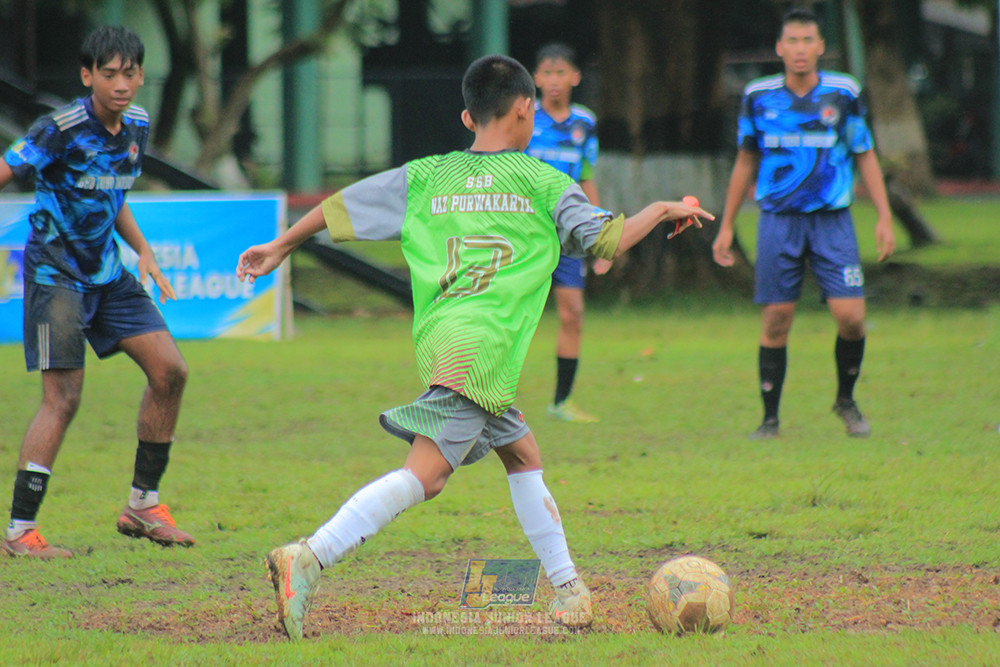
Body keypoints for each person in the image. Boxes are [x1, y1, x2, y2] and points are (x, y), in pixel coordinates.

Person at [236, 54, 710, 641]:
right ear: (527, 108)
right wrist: (664, 208)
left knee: (522, 454)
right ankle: (309, 556)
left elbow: (340, 207)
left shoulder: (426, 176)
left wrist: (281, 244)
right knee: (427, 477)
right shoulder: (543, 183)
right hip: (483, 348)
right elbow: (606, 239)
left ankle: (569, 589)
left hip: (445, 339)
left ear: (467, 116)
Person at [0, 26, 194, 559]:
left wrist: (145, 251)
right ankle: (19, 532)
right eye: (108, 73)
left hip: (108, 275)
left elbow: (114, 194)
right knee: (62, 399)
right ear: (88, 77)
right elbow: (5, 169)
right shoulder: (59, 128)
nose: (121, 83)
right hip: (55, 276)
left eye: (130, 73)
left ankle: (143, 505)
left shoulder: (137, 125)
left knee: (170, 371)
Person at [711, 7, 896, 440]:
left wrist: (885, 215)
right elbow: (745, 159)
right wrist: (726, 225)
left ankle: (845, 400)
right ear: (779, 48)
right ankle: (769, 419)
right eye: (791, 41)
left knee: (851, 317)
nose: (799, 50)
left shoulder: (843, 93)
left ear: (820, 47)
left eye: (807, 41)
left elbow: (864, 152)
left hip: (833, 221)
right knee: (776, 317)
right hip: (779, 220)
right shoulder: (759, 96)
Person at [525, 43, 601, 423]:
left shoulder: (584, 122)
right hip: (525, 235)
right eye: (547, 74)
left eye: (561, 74)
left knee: (572, 313)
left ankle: (561, 402)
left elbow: (587, 178)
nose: (554, 82)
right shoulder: (523, 117)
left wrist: (599, 235)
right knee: (511, 315)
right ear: (536, 78)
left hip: (568, 236)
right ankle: (485, 395)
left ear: (575, 77)